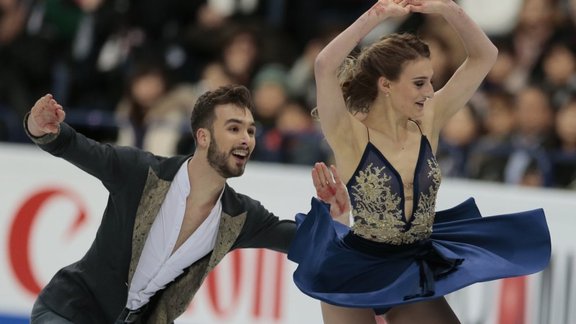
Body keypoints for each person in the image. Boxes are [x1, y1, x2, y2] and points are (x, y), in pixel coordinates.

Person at [287, 0, 551, 323]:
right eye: (418, 83)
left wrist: (447, 9)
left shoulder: (430, 119)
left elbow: (485, 55)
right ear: (385, 85)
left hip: (413, 262)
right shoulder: (350, 135)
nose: (429, 92)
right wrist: (376, 16)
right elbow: (324, 65)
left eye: (430, 80)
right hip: (355, 266)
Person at [25, 85, 350, 323]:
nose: (246, 139)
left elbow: (303, 242)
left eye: (251, 131)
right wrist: (38, 126)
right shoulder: (141, 173)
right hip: (68, 312)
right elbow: (73, 145)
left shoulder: (239, 216)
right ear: (203, 137)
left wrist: (337, 216)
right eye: (234, 128)